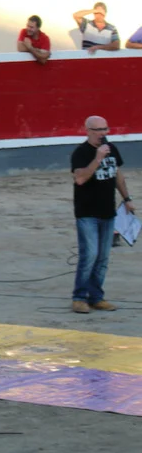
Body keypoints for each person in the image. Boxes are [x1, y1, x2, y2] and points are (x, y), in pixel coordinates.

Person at [70, 116, 133, 313]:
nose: (103, 133)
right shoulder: (81, 152)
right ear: (88, 130)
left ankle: (96, 297)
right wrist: (97, 159)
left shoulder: (111, 149)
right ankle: (79, 298)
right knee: (89, 255)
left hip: (108, 211)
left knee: (103, 258)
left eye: (105, 129)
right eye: (98, 130)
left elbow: (117, 174)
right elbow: (80, 179)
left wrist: (127, 198)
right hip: (87, 212)